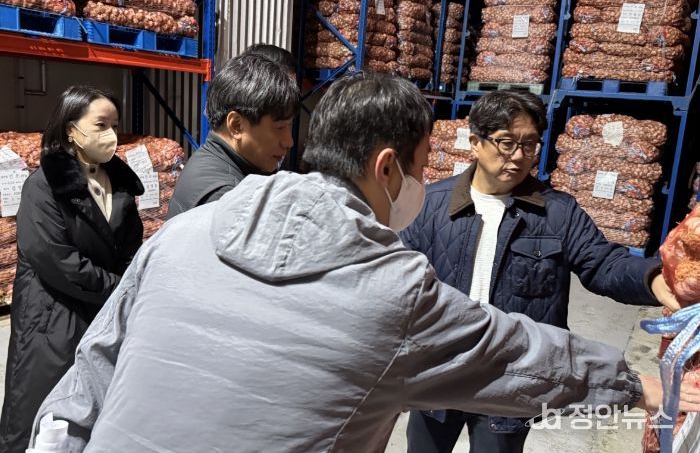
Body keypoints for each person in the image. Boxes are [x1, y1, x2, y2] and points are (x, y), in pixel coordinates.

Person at [34, 74, 700, 453]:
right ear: (387, 168)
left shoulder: (185, 231)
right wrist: (638, 384)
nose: (520, 156)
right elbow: (515, 354)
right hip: (447, 387)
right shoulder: (396, 283)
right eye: (419, 165)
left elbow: (90, 374)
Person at [401, 90, 680, 453]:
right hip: (440, 367)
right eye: (506, 143)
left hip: (512, 375)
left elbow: (603, 262)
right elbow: (400, 279)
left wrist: (656, 280)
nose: (519, 156)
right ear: (475, 143)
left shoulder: (557, 212)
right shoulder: (430, 205)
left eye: (529, 145)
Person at [0, 86, 144, 453]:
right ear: (71, 130)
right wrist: (121, 289)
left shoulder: (120, 184)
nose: (110, 135)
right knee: (39, 418)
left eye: (115, 125)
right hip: (53, 320)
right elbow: (58, 262)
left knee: (95, 412)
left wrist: (128, 287)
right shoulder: (43, 187)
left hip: (104, 312)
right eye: (100, 125)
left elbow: (131, 248)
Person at [165, 52, 298, 219]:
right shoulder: (225, 197)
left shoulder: (213, 160)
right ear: (236, 126)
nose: (289, 142)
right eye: (280, 127)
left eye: (289, 126)